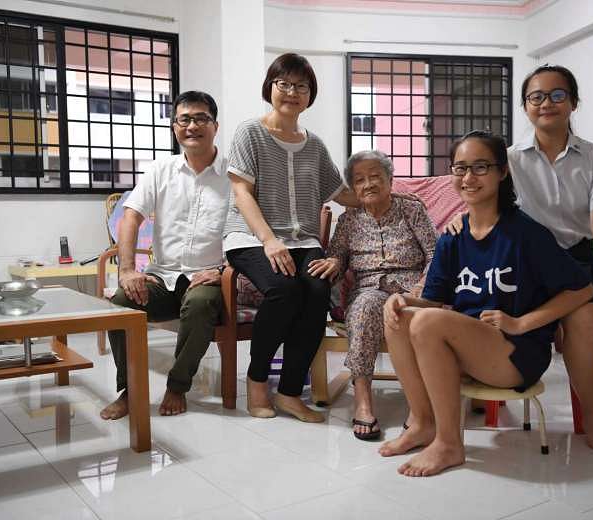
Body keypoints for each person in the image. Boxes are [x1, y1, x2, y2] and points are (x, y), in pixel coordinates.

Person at [449, 65, 593, 454]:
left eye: (557, 95)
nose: (546, 103)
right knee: (586, 316)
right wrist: (459, 217)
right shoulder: (507, 159)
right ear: (525, 106)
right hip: (528, 264)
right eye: (536, 96)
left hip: (581, 257)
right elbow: (477, 194)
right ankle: (592, 414)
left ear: (573, 103)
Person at [380, 131, 593, 477]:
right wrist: (404, 299)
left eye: (481, 167)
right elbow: (433, 300)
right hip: (472, 346)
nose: (468, 178)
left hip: (515, 353)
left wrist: (522, 323)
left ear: (502, 172)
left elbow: (581, 289)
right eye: (460, 168)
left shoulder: (525, 234)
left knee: (425, 321)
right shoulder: (452, 237)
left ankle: (449, 444)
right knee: (400, 316)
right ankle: (422, 422)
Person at [223, 53, 363, 423]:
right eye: (284, 83)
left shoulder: (314, 145)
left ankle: (287, 393)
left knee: (317, 292)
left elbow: (340, 192)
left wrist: (382, 194)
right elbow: (241, 192)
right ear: (270, 88)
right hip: (251, 237)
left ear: (310, 95)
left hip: (302, 241)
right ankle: (256, 381)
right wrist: (269, 240)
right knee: (283, 289)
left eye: (301, 86)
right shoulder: (249, 132)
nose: (292, 91)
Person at [100, 91, 228, 420]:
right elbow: (130, 216)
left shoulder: (233, 176)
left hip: (208, 277)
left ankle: (177, 385)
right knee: (120, 304)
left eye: (201, 118)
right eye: (184, 119)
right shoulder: (161, 170)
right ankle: (131, 390)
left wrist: (226, 269)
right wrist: (127, 271)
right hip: (163, 276)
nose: (192, 126)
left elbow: (253, 230)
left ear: (215, 126)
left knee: (199, 304)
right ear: (174, 127)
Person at [312, 150, 437, 440]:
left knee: (414, 315)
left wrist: (423, 286)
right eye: (359, 180)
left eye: (375, 177)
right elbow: (338, 257)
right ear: (353, 188)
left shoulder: (411, 209)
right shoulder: (349, 220)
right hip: (369, 289)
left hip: (411, 288)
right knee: (366, 306)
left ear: (390, 180)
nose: (368, 184)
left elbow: (435, 254)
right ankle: (363, 401)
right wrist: (334, 262)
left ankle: (419, 408)